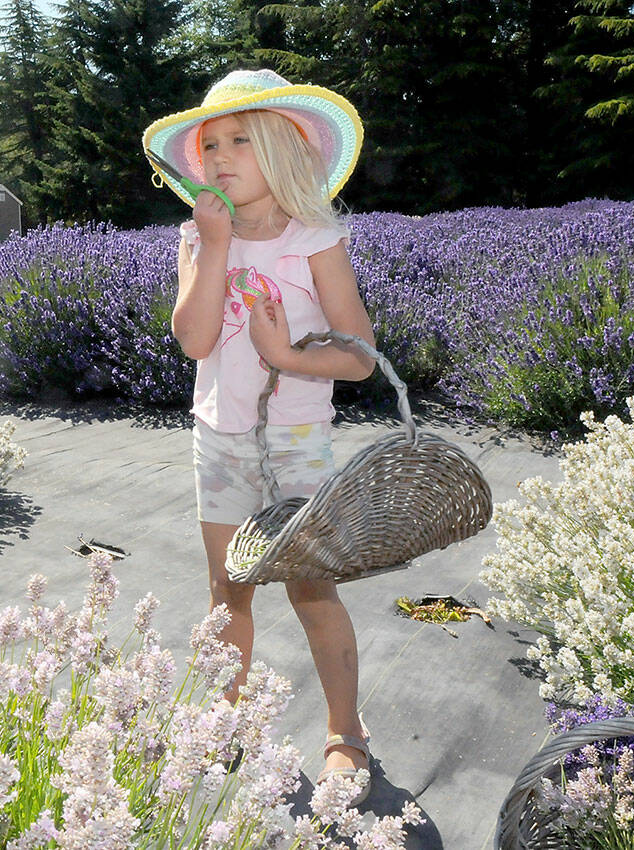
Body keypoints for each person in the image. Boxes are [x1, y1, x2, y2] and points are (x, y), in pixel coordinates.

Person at [142, 69, 377, 805]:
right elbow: (194, 337)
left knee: (312, 588)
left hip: (298, 441)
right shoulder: (196, 236)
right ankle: (229, 715)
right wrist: (212, 248)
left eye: (240, 139)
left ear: (283, 149)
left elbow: (362, 355)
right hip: (221, 438)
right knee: (229, 590)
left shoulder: (315, 241)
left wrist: (286, 358)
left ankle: (346, 731)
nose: (219, 156)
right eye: (210, 144)